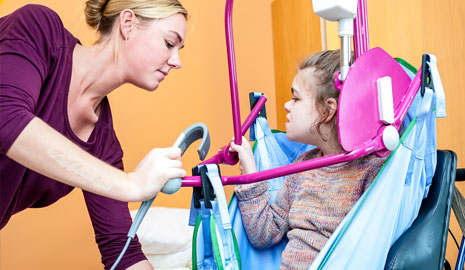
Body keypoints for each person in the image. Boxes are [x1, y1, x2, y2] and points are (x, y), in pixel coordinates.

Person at [0, 0, 188, 269]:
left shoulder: (103, 146)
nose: (177, 61)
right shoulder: (39, 29)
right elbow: (6, 117)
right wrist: (130, 185)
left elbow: (123, 253)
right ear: (128, 24)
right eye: (170, 43)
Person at [229, 50, 387, 270]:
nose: (286, 105)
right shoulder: (303, 166)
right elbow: (265, 234)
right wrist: (250, 172)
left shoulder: (374, 169)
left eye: (296, 98)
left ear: (328, 110)